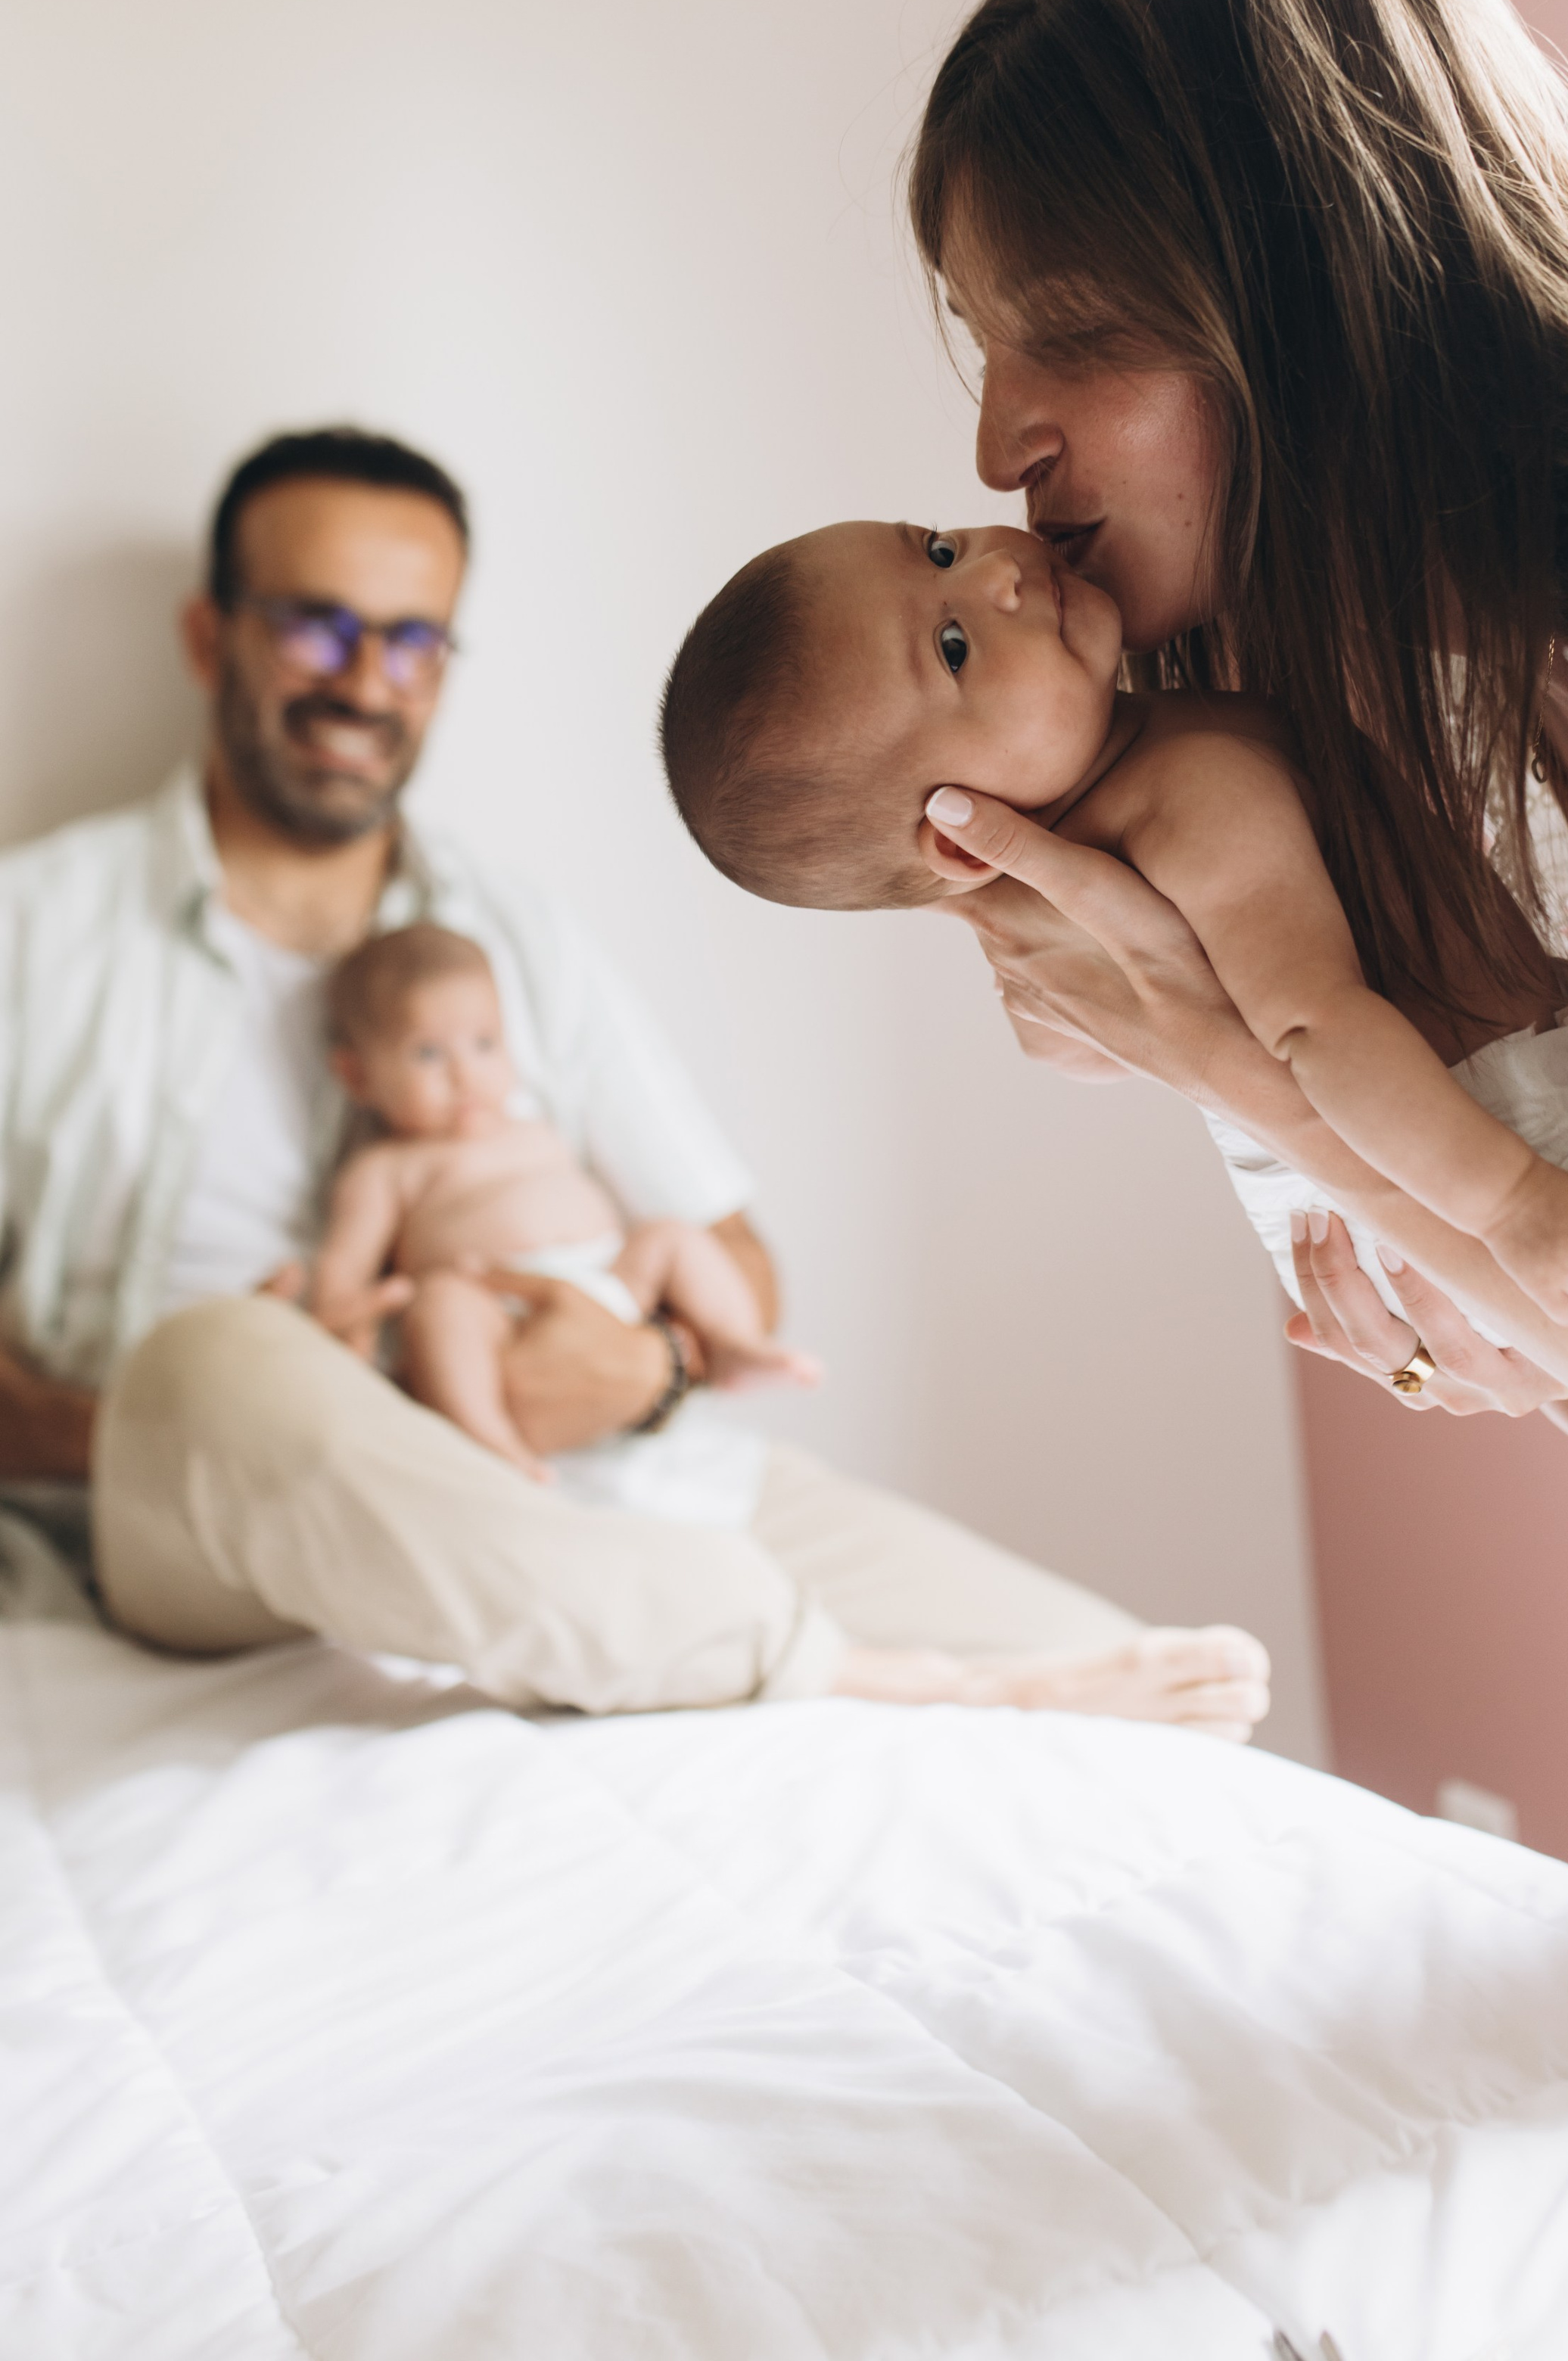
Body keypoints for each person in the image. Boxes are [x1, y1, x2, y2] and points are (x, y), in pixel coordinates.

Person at [893, 0, 1568, 2013]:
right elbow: (1436, 1293)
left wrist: (1218, 1038)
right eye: (982, 345)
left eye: (1067, 335)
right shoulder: (1414, 685)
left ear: (1312, 297)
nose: (1000, 440)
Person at [0, 423, 1270, 1738]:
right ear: (213, 639)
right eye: (317, 628)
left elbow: (730, 1254)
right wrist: (359, 1405)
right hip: (192, 1526)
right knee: (211, 1363)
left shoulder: (517, 937)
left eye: (411, 639)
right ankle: (791, 1653)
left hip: (592, 1477)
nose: (365, 681)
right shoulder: (33, 933)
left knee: (1136, 1683)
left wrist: (643, 1368)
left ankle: (725, 1625)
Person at [660, 514, 1568, 1323]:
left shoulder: (1121, 798)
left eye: (937, 550)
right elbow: (1315, 1028)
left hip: (1367, 1173)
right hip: (1465, 1133)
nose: (995, 575)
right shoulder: (1189, 792)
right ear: (962, 838)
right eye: (955, 648)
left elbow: (1077, 1047)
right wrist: (1513, 1201)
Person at [316, 920, 819, 1484]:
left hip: (610, 1290)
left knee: (671, 1236)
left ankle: (733, 1344)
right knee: (439, 1306)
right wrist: (345, 1313)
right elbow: (343, 1276)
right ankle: (491, 1441)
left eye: (484, 1043)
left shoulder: (538, 1127)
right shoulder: (385, 1169)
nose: (465, 1075)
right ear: (357, 1076)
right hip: (496, 1318)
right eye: (428, 1053)